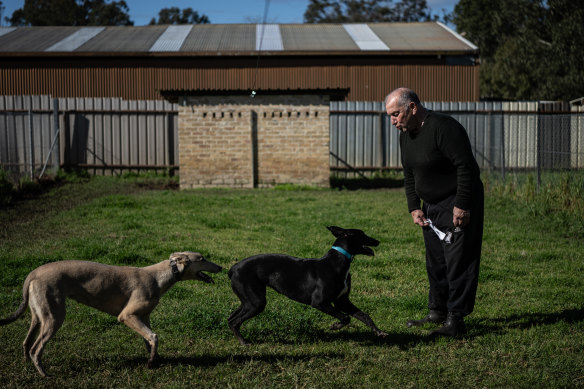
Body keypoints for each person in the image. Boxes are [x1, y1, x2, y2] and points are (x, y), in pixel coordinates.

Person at [384, 87, 484, 337]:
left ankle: (456, 320)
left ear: (413, 108)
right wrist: (414, 206)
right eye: (390, 116)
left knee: (458, 262)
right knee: (436, 261)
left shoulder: (444, 128)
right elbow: (409, 173)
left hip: (456, 203)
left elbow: (466, 167)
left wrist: (462, 204)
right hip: (430, 207)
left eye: (396, 114)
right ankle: (437, 311)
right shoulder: (406, 134)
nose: (393, 121)